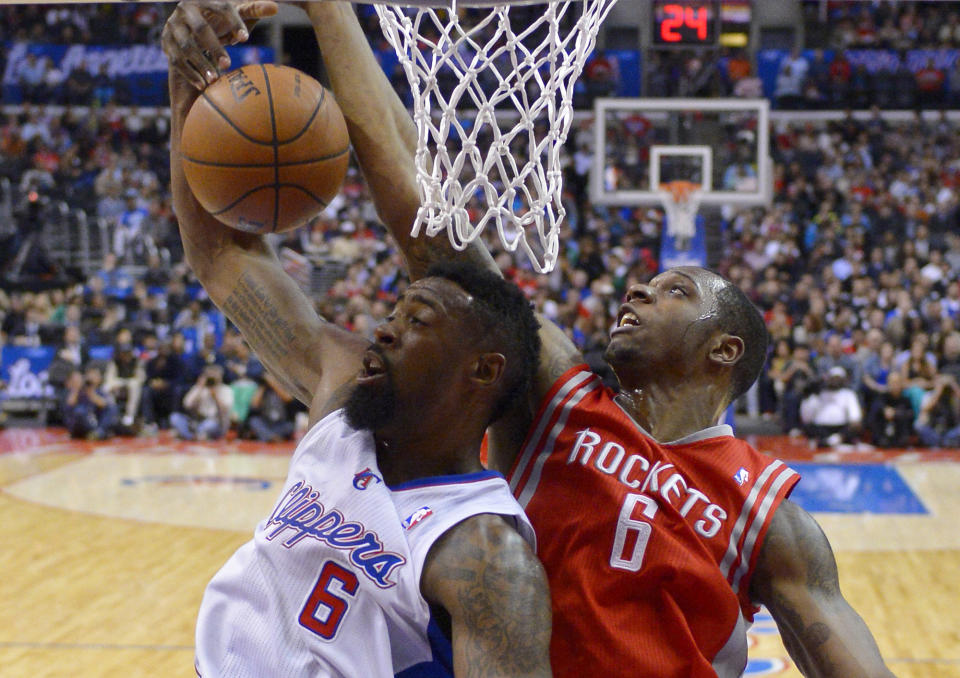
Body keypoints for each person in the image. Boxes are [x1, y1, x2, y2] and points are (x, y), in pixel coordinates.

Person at [172, 2, 893, 677]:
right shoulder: (562, 400)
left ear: (725, 350)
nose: (639, 290)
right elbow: (423, 216)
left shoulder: (766, 510)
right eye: (644, 282)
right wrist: (331, 11)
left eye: (675, 290)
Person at [162, 3, 551, 677]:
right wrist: (187, 90)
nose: (383, 329)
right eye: (396, 312)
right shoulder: (343, 399)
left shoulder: (485, 550)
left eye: (418, 322)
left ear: (480, 372)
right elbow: (222, 257)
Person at [799, 365, 864, 448]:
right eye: (833, 378)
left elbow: (855, 417)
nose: (835, 381)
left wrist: (843, 434)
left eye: (838, 379)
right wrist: (811, 396)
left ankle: (832, 441)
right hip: (821, 428)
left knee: (855, 427)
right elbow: (807, 418)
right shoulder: (818, 394)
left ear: (843, 380)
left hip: (841, 429)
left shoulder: (848, 394)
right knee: (807, 428)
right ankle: (828, 441)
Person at [169, 364, 234, 441]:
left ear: (220, 376)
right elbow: (187, 405)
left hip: (215, 422)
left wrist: (215, 397)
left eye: (214, 376)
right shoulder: (199, 387)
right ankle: (191, 437)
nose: (211, 378)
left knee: (208, 425)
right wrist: (200, 389)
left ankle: (188, 435)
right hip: (197, 421)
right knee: (174, 417)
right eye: (209, 375)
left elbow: (225, 410)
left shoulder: (226, 390)